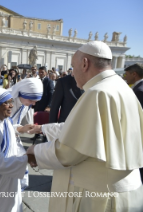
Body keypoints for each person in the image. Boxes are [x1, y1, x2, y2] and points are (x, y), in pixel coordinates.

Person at [26, 41, 143, 212]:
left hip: (101, 195)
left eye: (73, 67)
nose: (72, 74)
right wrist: (41, 128)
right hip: (126, 189)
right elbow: (89, 130)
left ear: (85, 63)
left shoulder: (98, 92)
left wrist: (34, 151)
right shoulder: (122, 87)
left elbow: (70, 151)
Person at [9, 78, 43, 190]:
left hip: (13, 137)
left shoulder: (25, 103)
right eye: (31, 100)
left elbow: (22, 123)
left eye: (36, 101)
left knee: (21, 165)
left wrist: (30, 128)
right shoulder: (6, 101)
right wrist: (21, 129)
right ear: (21, 93)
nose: (33, 104)